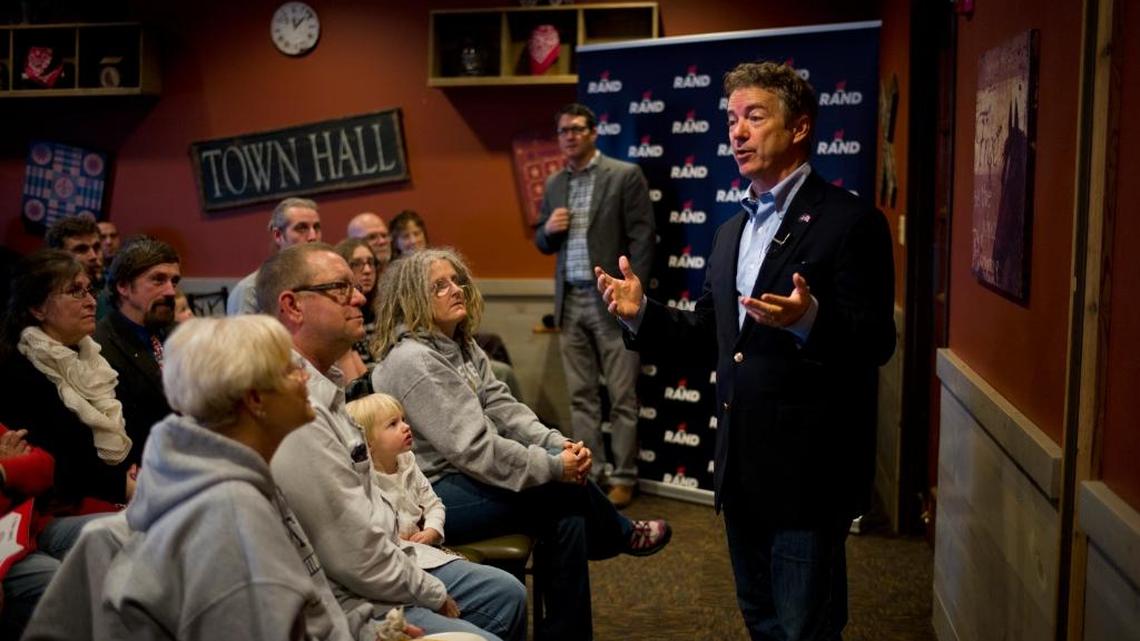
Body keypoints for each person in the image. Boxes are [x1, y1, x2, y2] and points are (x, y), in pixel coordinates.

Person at [595, 61, 896, 641]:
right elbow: (715, 333)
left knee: (804, 627)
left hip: (809, 478)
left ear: (800, 127)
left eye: (754, 117)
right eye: (731, 119)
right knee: (760, 621)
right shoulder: (731, 231)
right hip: (741, 471)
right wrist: (643, 315)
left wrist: (810, 319)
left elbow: (875, 342)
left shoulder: (851, 221)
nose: (736, 132)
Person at [371, 248, 671, 641]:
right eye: (439, 286)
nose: (455, 289)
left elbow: (504, 406)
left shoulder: (458, 343)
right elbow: (476, 450)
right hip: (430, 497)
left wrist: (555, 443)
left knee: (568, 514)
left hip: (465, 475)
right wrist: (553, 466)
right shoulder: (415, 360)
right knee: (563, 492)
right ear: (412, 298)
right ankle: (618, 533)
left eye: (456, 280)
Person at [23, 315, 379, 640]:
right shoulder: (231, 508)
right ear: (255, 399)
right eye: (289, 370)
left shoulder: (228, 478)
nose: (304, 377)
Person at [258, 243, 526, 641]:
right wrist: (427, 590)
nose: (360, 297)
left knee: (508, 593)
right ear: (293, 307)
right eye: (341, 288)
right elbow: (350, 554)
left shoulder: (330, 384)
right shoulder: (296, 406)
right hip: (352, 595)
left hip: (395, 547)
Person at [533, 102, 654, 508]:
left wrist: (631, 292)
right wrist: (548, 230)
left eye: (577, 128)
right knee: (582, 395)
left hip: (612, 301)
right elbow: (542, 241)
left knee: (622, 395)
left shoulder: (623, 175)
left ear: (593, 132)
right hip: (571, 300)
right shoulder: (553, 184)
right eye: (563, 130)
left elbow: (642, 237)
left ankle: (624, 476)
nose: (569, 135)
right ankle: (594, 471)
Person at [0, 249, 135, 513]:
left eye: (89, 290)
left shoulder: (93, 358)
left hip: (111, 488)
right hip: (57, 507)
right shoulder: (18, 370)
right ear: (38, 308)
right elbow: (61, 467)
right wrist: (130, 489)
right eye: (76, 291)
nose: (91, 302)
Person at [94, 237, 181, 462]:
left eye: (174, 281)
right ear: (123, 286)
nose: (171, 291)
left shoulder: (177, 333)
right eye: (158, 280)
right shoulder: (99, 347)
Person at [346, 393, 444, 546]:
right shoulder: (365, 481)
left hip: (422, 547)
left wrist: (432, 530)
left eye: (402, 420)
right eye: (393, 424)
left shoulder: (407, 460)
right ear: (368, 442)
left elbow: (434, 504)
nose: (406, 427)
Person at [227, 197, 322, 315]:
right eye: (301, 228)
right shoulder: (250, 289)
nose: (313, 236)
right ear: (278, 235)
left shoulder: (323, 279)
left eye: (316, 227)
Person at [45, 215, 112, 320]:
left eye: (96, 247)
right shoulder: (47, 298)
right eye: (81, 249)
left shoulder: (111, 287)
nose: (93, 256)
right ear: (59, 256)